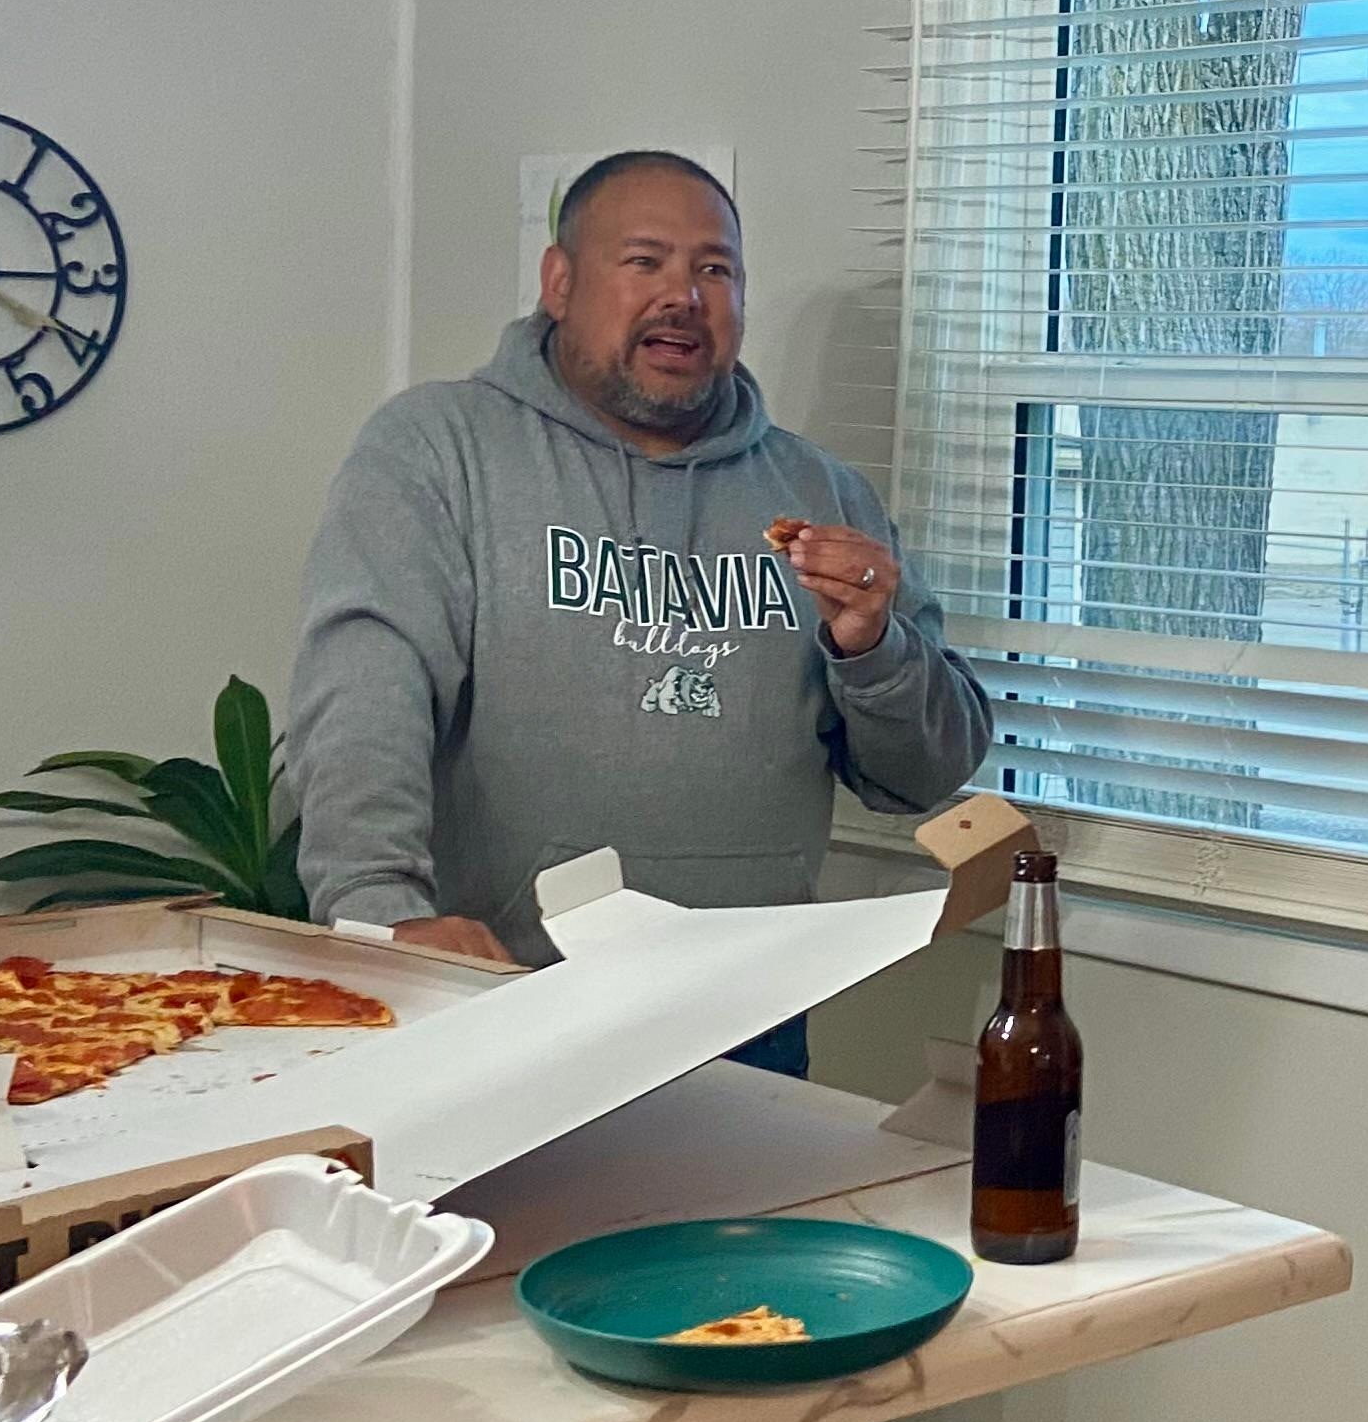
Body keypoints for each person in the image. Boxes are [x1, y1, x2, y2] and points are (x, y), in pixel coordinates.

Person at [288, 150, 991, 1075]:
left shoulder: (821, 492)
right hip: (509, 1004)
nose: (683, 297)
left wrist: (874, 650)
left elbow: (926, 773)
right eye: (645, 261)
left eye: (715, 269)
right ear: (559, 283)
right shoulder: (436, 450)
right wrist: (381, 912)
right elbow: (364, 700)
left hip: (750, 1024)